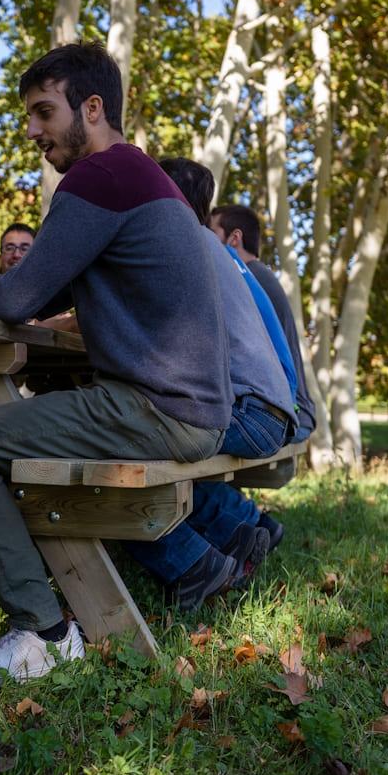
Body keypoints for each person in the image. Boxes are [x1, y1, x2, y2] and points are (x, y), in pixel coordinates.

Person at [0, 42, 236, 687]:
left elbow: (19, 297)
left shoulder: (97, 178)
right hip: (193, 409)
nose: (32, 130)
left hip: (157, 409)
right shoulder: (139, 176)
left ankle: (43, 634)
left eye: (43, 111)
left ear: (91, 108)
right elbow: (48, 288)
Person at [146, 158, 296, 584]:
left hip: (251, 413)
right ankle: (244, 525)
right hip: (272, 407)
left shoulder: (180, 244)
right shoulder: (213, 248)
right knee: (152, 435)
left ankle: (194, 565)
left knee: (122, 447)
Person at [211, 203, 319, 551]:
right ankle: (249, 523)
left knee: (180, 438)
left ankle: (247, 525)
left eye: (211, 233)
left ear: (234, 238)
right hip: (289, 406)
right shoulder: (257, 275)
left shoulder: (245, 276)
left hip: (288, 412)